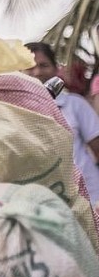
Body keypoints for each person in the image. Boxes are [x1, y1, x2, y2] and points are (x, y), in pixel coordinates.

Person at [25, 42, 99, 205]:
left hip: (90, 197)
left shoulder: (75, 104)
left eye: (44, 65)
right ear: (19, 72)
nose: (37, 72)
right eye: (30, 66)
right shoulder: (13, 110)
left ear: (56, 69)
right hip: (45, 203)